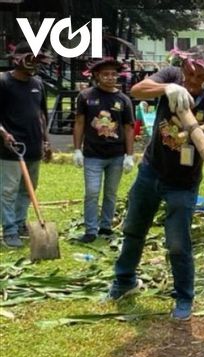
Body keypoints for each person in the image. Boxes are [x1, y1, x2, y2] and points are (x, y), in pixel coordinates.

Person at [106, 46, 204, 321]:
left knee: (178, 242)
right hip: (151, 171)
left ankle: (184, 298)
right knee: (133, 228)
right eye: (193, 73)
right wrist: (166, 89)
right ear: (185, 66)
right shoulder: (171, 76)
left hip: (183, 183)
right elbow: (138, 89)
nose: (195, 81)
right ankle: (124, 281)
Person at [72, 58, 135, 243]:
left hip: (116, 155)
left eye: (114, 74)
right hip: (92, 154)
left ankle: (106, 226)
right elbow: (80, 122)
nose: (110, 77)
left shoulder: (123, 100)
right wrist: (77, 149)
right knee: (92, 192)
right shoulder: (86, 96)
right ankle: (91, 229)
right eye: (105, 74)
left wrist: (129, 155)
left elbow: (129, 127)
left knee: (111, 192)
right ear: (97, 76)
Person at [0, 42, 51, 248]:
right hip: (9, 148)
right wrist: (4, 134)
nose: (33, 65)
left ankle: (20, 224)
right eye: (29, 59)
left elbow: (41, 115)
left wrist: (46, 142)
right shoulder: (3, 82)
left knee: (28, 190)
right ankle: (9, 230)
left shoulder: (38, 83)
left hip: (33, 146)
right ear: (16, 59)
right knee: (8, 190)